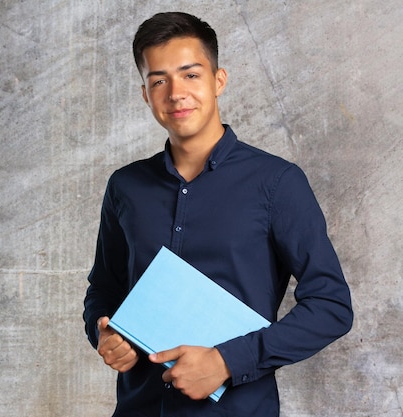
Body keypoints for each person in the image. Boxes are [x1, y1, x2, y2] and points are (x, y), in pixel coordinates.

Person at [83, 11, 353, 417]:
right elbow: (104, 287)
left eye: (190, 75)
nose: (175, 93)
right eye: (159, 80)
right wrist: (103, 334)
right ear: (145, 93)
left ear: (218, 80)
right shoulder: (126, 187)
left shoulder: (277, 181)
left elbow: (331, 306)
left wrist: (228, 361)